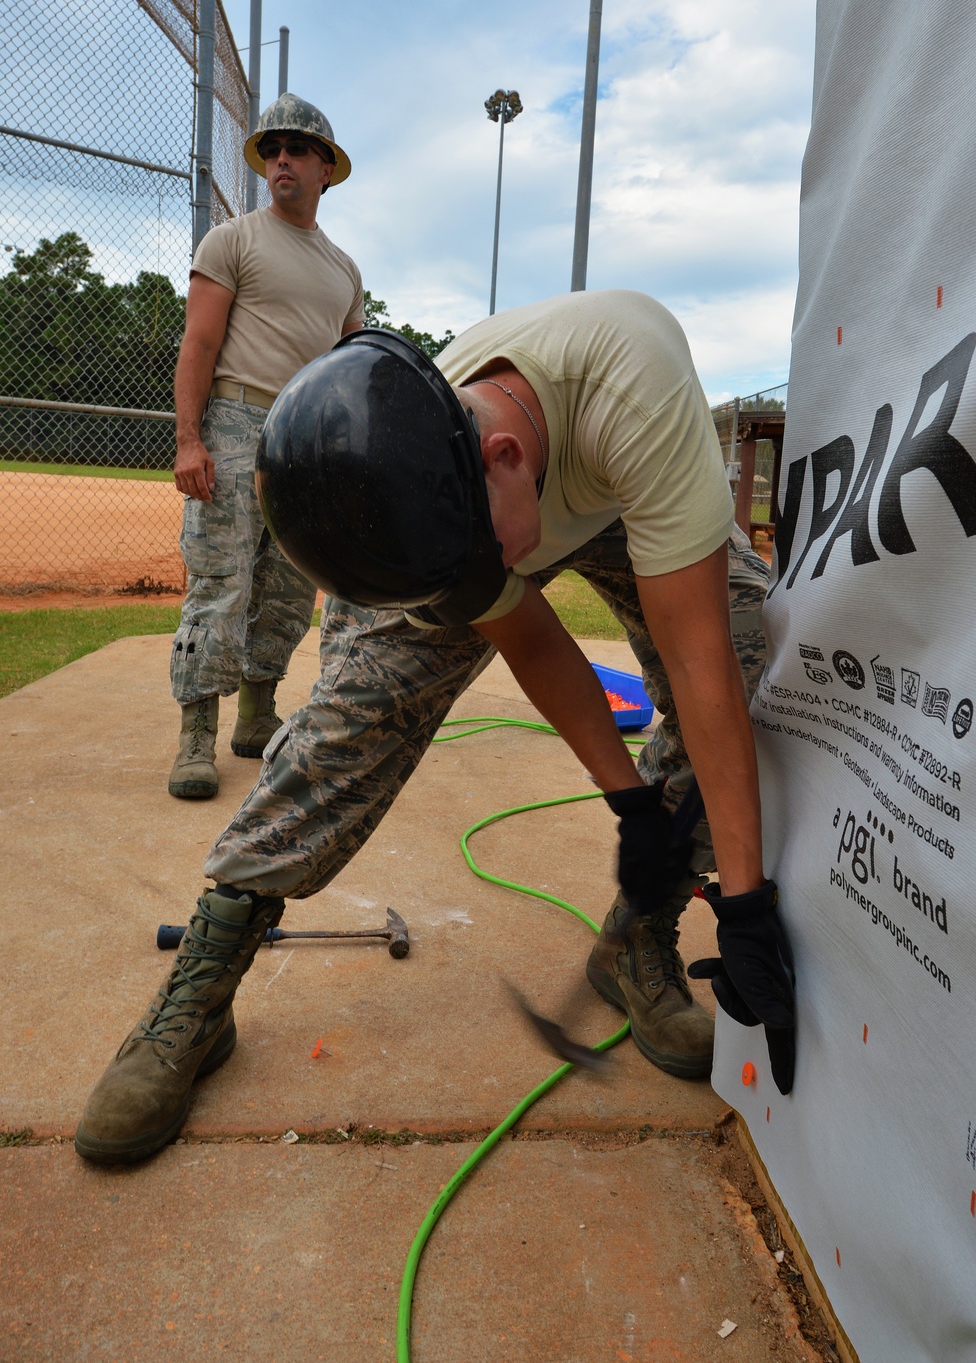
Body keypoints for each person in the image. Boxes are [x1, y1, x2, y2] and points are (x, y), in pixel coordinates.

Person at [76, 289, 796, 1167]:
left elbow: (703, 666)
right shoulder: (411, 472)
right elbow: (532, 637)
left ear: (502, 455)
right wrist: (631, 804)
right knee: (354, 714)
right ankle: (206, 972)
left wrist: (748, 906)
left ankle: (637, 935)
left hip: (616, 484)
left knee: (749, 645)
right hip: (509, 504)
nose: (486, 580)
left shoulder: (634, 403)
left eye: (478, 566)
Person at [167, 92, 364, 801]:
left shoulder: (343, 270)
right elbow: (200, 343)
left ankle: (256, 716)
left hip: (305, 440)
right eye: (273, 149)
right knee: (221, 582)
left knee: (286, 586)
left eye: (299, 149)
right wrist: (191, 440)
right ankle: (196, 738)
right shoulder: (233, 240)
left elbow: (349, 371)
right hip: (235, 421)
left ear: (326, 169)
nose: (283, 158)